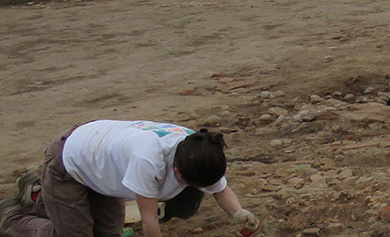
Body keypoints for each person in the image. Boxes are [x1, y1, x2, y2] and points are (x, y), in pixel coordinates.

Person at [0, 121, 260, 237]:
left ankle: (41, 196)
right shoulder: (148, 159)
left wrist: (240, 213)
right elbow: (149, 222)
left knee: (107, 233)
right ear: (178, 172)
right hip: (69, 163)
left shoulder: (200, 151)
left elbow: (220, 190)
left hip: (104, 168)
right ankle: (15, 217)